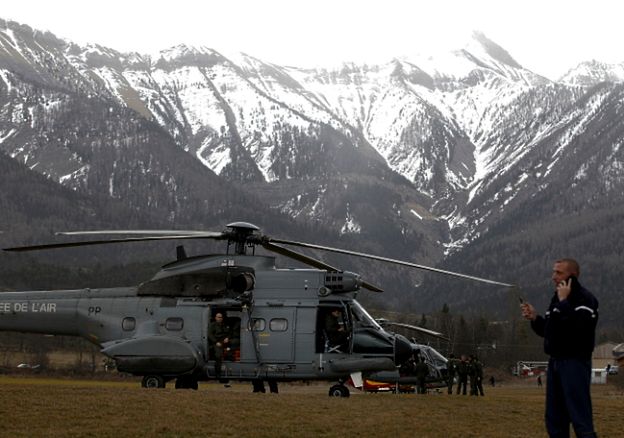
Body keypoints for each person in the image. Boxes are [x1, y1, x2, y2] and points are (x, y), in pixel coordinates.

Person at [521, 258, 599, 438]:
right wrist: (535, 318)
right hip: (555, 363)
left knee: (580, 416)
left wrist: (564, 303)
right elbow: (550, 332)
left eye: (558, 272)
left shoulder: (585, 299)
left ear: (572, 275)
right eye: (553, 272)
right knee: (555, 418)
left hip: (575, 362)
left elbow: (580, 328)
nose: (553, 277)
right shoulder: (556, 299)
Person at [208, 312, 231, 380]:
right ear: (215, 318)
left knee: (231, 349)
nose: (220, 318)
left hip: (225, 342)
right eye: (218, 317)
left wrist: (228, 338)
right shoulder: (212, 325)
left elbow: (230, 333)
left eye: (221, 317)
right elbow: (210, 335)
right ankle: (218, 373)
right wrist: (216, 342)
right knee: (218, 356)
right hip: (217, 343)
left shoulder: (225, 325)